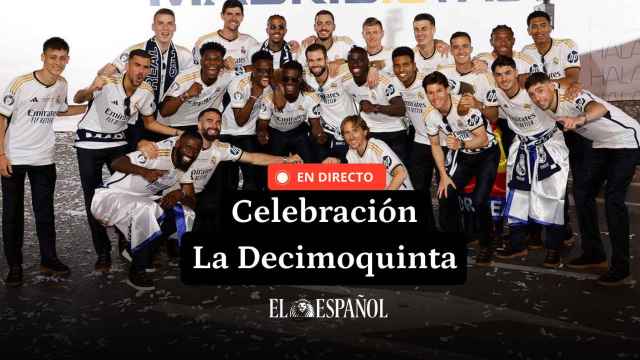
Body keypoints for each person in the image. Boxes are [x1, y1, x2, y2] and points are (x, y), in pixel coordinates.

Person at [525, 72, 640, 286]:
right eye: (532, 94)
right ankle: (594, 253)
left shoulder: (571, 96)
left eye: (540, 90)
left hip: (626, 141)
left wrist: (580, 119)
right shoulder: (546, 107)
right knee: (582, 193)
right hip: (601, 145)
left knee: (613, 201)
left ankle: (622, 268)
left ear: (551, 86)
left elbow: (599, 108)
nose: (537, 97)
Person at [74, 49, 182, 273]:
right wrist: (90, 89)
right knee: (93, 199)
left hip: (118, 144)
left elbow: (150, 123)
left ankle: (128, 245)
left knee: (130, 193)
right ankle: (103, 253)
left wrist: (177, 133)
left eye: (145, 67)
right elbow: (79, 98)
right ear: (127, 66)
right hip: (89, 145)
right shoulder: (107, 82)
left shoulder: (145, 92)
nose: (140, 71)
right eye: (136, 65)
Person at [1, 37, 86, 287]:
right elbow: (1, 119)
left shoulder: (62, 83)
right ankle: (15, 266)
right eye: (53, 57)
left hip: (44, 158)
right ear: (43, 57)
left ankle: (48, 259)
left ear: (67, 59)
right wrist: (1, 155)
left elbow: (59, 109)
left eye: (62, 58)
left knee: (45, 213)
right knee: (12, 215)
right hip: (14, 156)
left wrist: (88, 107)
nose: (57, 63)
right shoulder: (21, 84)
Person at [91, 131, 202, 290]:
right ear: (178, 144)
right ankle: (137, 270)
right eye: (188, 147)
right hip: (109, 199)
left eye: (196, 150)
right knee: (147, 208)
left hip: (138, 201)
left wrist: (180, 194)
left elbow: (192, 202)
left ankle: (136, 251)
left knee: (184, 212)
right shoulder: (157, 152)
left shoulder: (186, 165)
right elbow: (117, 163)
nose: (191, 153)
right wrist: (145, 171)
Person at [490, 56, 570, 268]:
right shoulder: (495, 93)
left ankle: (554, 248)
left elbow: (558, 88)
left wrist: (572, 86)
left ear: (516, 72)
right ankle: (517, 244)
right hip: (522, 148)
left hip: (549, 145)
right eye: (498, 74)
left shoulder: (532, 91)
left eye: (508, 73)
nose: (503, 78)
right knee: (516, 196)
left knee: (552, 197)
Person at [521, 10, 584, 247]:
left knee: (564, 179)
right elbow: (524, 85)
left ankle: (564, 230)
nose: (538, 30)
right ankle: (538, 231)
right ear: (528, 31)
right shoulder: (525, 52)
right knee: (539, 177)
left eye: (542, 25)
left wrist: (543, 87)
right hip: (541, 123)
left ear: (550, 26)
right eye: (533, 27)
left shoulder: (567, 45)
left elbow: (572, 79)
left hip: (567, 120)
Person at [424, 71, 500, 266]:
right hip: (464, 155)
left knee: (479, 200)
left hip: (486, 154)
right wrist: (443, 175)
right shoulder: (430, 115)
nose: (435, 97)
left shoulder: (464, 108)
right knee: (445, 193)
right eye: (430, 93)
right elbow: (435, 145)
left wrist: (462, 145)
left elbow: (482, 138)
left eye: (439, 91)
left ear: (448, 89)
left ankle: (486, 244)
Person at [187, 108, 302, 234]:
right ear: (199, 124)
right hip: (175, 195)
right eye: (209, 121)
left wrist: (287, 159)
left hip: (196, 196)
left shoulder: (222, 148)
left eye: (218, 122)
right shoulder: (180, 143)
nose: (214, 125)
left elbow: (253, 158)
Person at [391, 46, 445, 231]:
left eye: (406, 64)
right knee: (418, 190)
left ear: (415, 65)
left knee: (445, 192)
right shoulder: (395, 82)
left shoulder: (428, 81)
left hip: (444, 142)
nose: (401, 70)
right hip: (420, 141)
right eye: (397, 66)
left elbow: (463, 87)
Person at [98, 8, 193, 107]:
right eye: (160, 23)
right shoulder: (137, 49)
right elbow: (109, 71)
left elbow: (194, 79)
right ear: (153, 27)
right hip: (136, 112)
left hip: (166, 114)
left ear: (175, 27)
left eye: (169, 24)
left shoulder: (184, 54)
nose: (165, 28)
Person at [217, 50, 274, 191]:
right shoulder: (238, 84)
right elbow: (240, 120)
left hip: (248, 133)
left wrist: (262, 131)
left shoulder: (269, 87)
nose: (265, 74)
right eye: (260, 71)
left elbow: (263, 118)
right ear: (253, 69)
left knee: (252, 178)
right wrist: (254, 96)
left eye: (268, 70)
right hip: (227, 132)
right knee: (229, 180)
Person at [342, 46, 408, 163]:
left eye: (360, 60)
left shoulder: (382, 81)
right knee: (375, 174)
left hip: (394, 130)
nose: (356, 64)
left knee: (397, 172)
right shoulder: (346, 82)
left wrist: (374, 107)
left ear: (367, 62)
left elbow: (400, 109)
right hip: (371, 131)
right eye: (352, 60)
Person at [159, 42, 234, 134]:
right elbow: (164, 111)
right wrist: (186, 94)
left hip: (202, 125)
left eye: (217, 59)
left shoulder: (227, 74)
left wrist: (234, 66)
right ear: (201, 61)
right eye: (208, 59)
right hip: (175, 125)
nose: (212, 63)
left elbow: (252, 68)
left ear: (222, 62)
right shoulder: (186, 78)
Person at [257, 60, 321, 163]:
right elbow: (262, 123)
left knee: (309, 163)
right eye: (286, 79)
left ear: (300, 79)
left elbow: (315, 124)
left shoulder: (310, 96)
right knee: (275, 169)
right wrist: (262, 132)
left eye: (293, 79)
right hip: (276, 133)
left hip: (297, 131)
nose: (289, 82)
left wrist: (319, 134)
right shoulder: (269, 97)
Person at [304, 44, 357, 163]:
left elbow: (362, 64)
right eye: (311, 60)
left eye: (319, 59)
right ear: (307, 63)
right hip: (325, 132)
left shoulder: (340, 72)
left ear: (327, 60)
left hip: (347, 131)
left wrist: (372, 69)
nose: (315, 64)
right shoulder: (306, 77)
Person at [341, 115, 413, 191]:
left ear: (365, 132)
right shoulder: (350, 154)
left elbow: (401, 174)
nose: (351, 137)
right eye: (347, 132)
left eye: (355, 131)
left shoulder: (376, 146)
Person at [193, 0, 259, 75]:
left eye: (237, 14)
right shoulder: (204, 41)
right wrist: (221, 65)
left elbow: (259, 67)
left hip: (241, 85)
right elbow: (195, 71)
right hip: (213, 86)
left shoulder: (250, 42)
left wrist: (236, 70)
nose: (233, 18)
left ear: (242, 17)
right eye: (229, 14)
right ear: (222, 15)